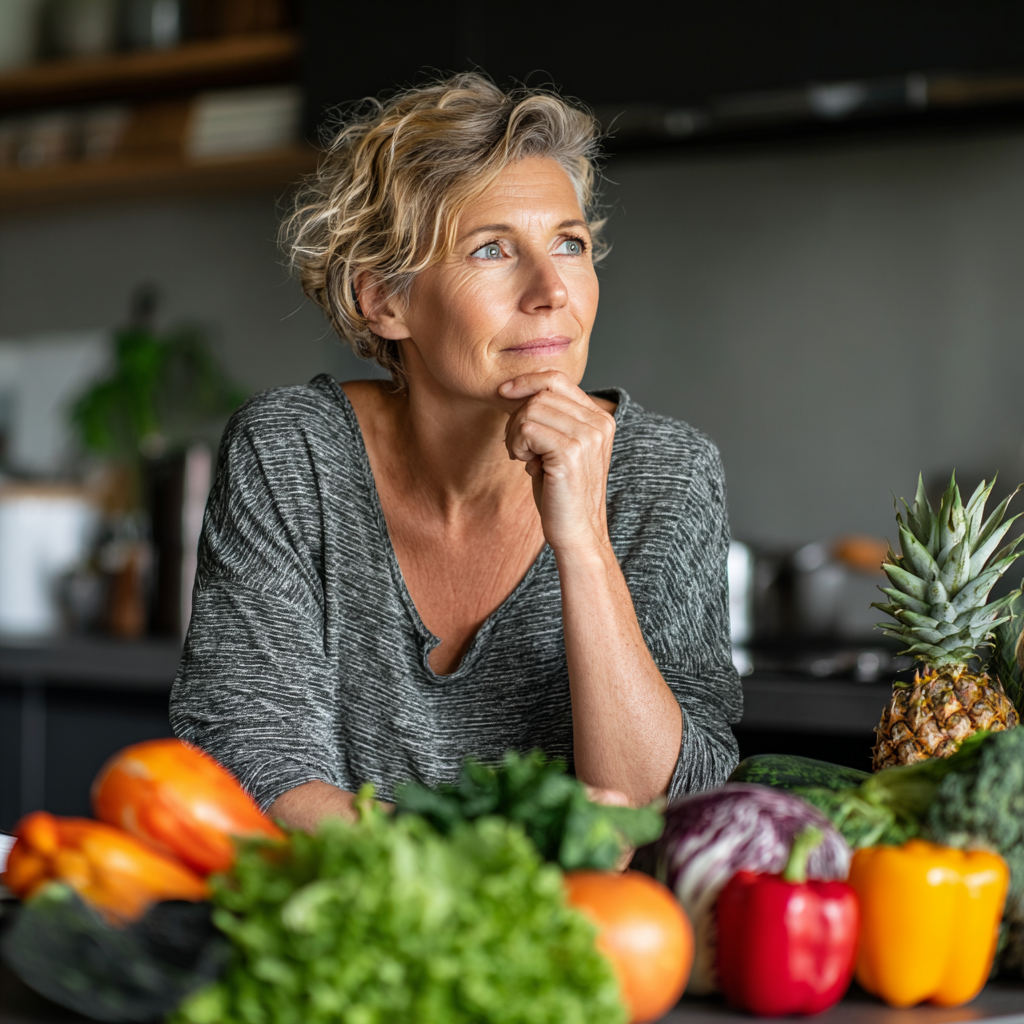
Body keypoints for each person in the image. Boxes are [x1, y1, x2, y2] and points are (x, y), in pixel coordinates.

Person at [169, 73, 742, 831]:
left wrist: (584, 546)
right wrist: (469, 880)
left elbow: (654, 813)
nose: (550, 292)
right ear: (385, 300)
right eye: (492, 250)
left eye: (568, 244)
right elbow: (250, 765)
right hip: (345, 925)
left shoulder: (667, 475)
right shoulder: (292, 454)